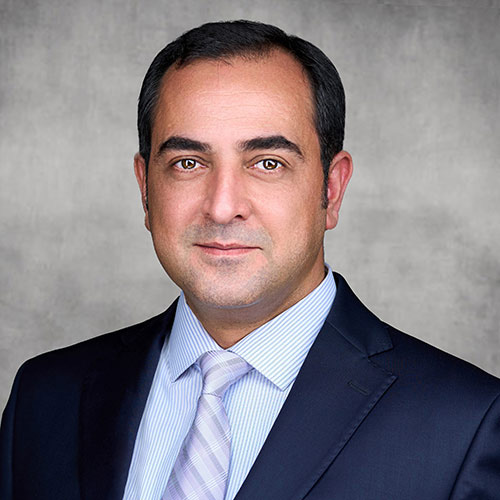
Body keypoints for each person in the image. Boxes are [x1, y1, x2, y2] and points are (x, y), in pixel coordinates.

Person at [1, 20, 499, 500]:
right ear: (145, 188)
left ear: (332, 187)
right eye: (188, 163)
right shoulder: (45, 399)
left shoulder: (467, 425)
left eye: (267, 163)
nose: (222, 206)